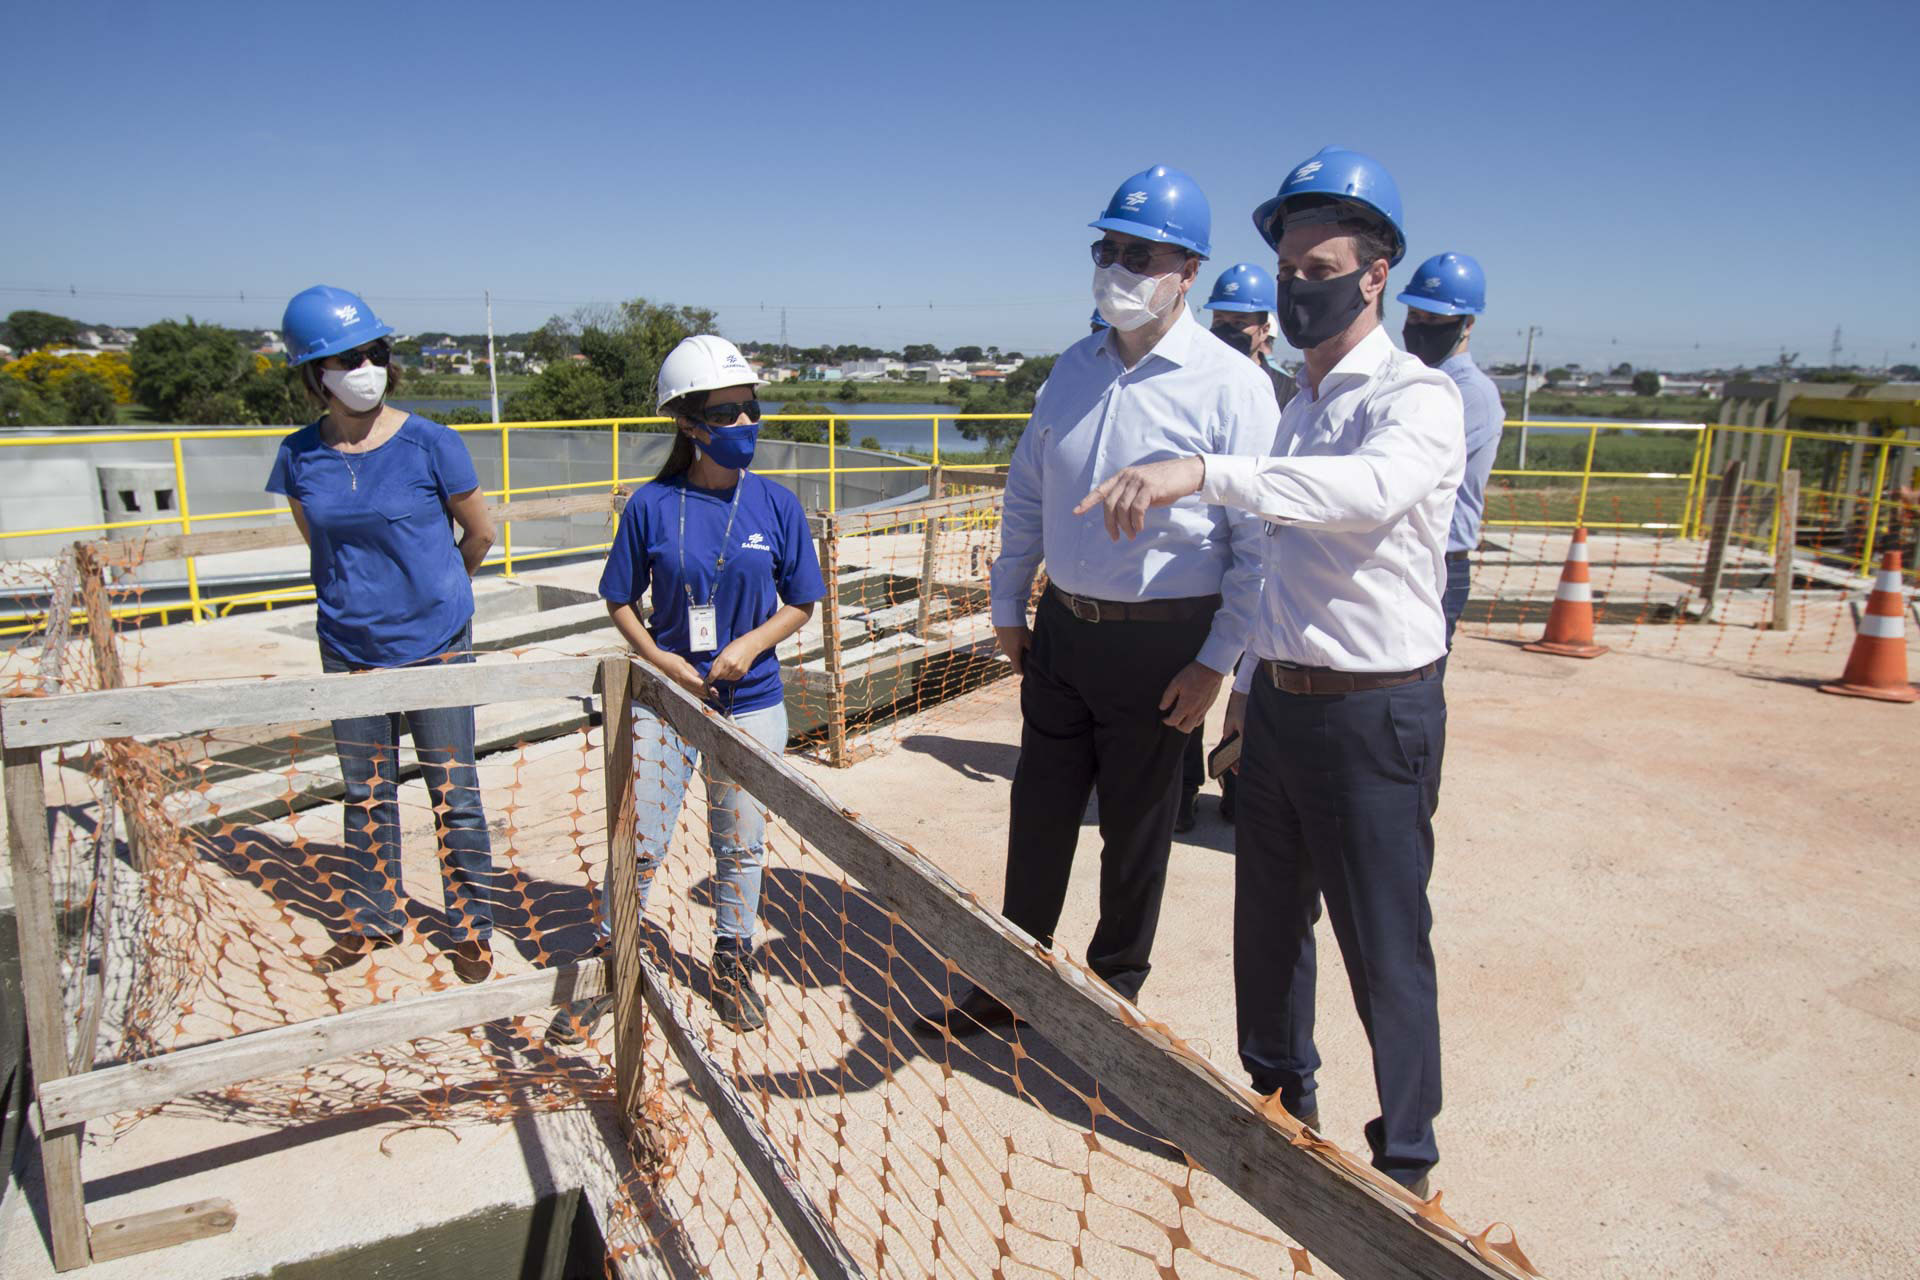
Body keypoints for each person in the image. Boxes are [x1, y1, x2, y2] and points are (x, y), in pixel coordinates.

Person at [1075, 147, 1464, 1194]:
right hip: (1284, 709)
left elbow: (1362, 494)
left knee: (1384, 945)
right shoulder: (1295, 400)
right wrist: (1243, 691)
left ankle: (1407, 1161)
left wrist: (1203, 470)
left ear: (1376, 271)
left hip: (1376, 714)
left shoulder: (1418, 401)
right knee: (1267, 929)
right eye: (1287, 266)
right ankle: (1282, 1098)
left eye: (1320, 264)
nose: (1298, 283)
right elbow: (1279, 573)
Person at [920, 165, 1275, 1036]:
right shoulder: (1071, 371)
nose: (1115, 264)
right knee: (1038, 813)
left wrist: (1215, 665)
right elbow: (1028, 497)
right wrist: (1009, 605)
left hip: (1167, 649)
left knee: (1137, 832)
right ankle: (1010, 978)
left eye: (1137, 252)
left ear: (1187, 270)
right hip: (1064, 633)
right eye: (1106, 247)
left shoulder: (1233, 388)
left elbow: (1260, 550)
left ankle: (1113, 1002)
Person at [551, 335, 824, 1043]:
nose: (746, 425)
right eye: (728, 414)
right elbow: (617, 597)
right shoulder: (650, 505)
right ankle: (613, 961)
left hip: (752, 700)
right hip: (671, 702)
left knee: (741, 844)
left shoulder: (776, 504)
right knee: (640, 840)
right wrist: (659, 660)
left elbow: (801, 600)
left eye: (751, 409)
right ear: (689, 424)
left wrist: (750, 644)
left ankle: (733, 961)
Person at [266, 285, 499, 985]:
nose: (364, 367)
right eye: (345, 358)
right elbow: (323, 546)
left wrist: (439, 592)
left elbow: (480, 532)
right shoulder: (299, 455)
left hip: (437, 645)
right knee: (364, 794)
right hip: (349, 649)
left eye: (373, 352)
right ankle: (374, 920)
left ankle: (471, 928)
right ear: (316, 374)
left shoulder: (433, 442)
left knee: (454, 792)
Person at [1176, 262, 1288, 830]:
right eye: (1221, 321)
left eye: (1241, 323)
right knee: (1193, 683)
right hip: (1207, 572)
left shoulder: (1288, 391)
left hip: (1265, 566)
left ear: (1266, 328)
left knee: (1253, 687)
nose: (1230, 332)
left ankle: (1241, 785)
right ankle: (1182, 791)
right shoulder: (1200, 383)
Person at [1398, 252, 1501, 656]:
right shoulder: (1414, 379)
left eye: (1436, 322)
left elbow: (1411, 471)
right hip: (1407, 555)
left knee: (1413, 685)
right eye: (1415, 318)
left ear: (1467, 325)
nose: (1421, 329)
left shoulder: (1470, 394)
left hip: (1440, 561)